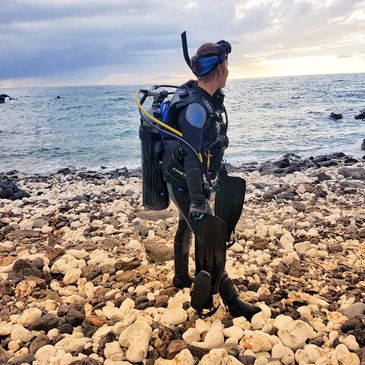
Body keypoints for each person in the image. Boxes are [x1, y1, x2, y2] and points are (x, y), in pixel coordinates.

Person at [162, 38, 261, 319]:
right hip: (185, 182)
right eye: (227, 65)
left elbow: (207, 148)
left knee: (186, 224)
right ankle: (233, 302)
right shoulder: (196, 107)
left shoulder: (205, 98)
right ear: (219, 69)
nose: (229, 70)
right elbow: (193, 156)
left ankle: (181, 277)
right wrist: (197, 200)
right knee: (209, 239)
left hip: (186, 179)